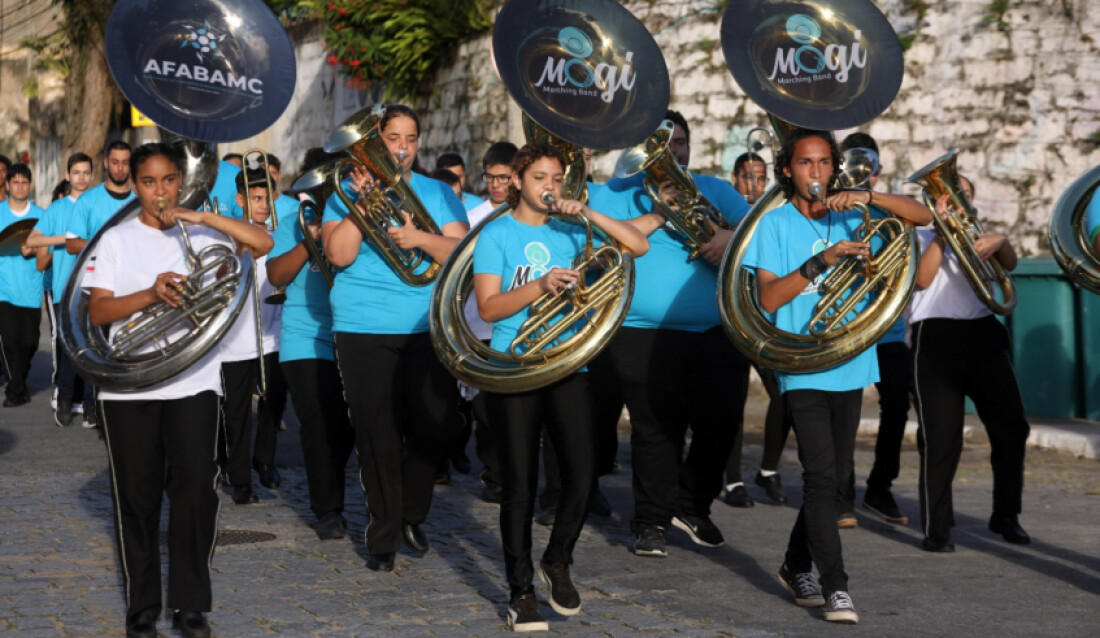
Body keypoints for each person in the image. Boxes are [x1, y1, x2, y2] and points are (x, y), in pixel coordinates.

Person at [743, 128, 932, 624]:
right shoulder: (774, 224)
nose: (816, 173)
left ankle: (794, 563)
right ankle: (837, 587)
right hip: (804, 363)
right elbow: (768, 299)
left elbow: (924, 216)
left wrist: (866, 195)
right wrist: (820, 261)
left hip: (852, 362)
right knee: (821, 475)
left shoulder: (853, 213)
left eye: (825, 163)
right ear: (788, 170)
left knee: (832, 478)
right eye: (806, 164)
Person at [85, 142, 272, 638]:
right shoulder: (116, 240)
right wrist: (151, 293)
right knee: (137, 500)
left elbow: (261, 242)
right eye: (149, 182)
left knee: (195, 493)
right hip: (131, 385)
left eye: (169, 181)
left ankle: (191, 605)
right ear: (135, 185)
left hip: (193, 381)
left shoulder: (200, 230)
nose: (160, 192)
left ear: (180, 182)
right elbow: (97, 312)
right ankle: (142, 610)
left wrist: (201, 217)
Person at [474, 142, 648, 632]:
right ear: (517, 184)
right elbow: (488, 308)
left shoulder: (574, 228)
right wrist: (541, 285)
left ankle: (558, 558)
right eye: (539, 178)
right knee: (521, 486)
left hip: (568, 363)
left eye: (556, 179)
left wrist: (587, 211)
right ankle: (520, 591)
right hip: (517, 365)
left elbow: (637, 245)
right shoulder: (496, 235)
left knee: (583, 471)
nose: (549, 187)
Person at [588, 110, 752, 558]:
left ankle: (692, 504)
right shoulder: (617, 193)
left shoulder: (714, 189)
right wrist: (659, 215)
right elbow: (597, 248)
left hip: (716, 328)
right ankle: (651, 521)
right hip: (641, 330)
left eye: (679, 142)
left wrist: (726, 237)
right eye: (663, 143)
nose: (673, 151)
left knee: (721, 420)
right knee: (654, 428)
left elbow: (760, 231)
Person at [322, 103, 469, 572]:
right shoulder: (344, 191)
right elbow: (339, 255)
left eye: (410, 139)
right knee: (376, 432)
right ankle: (383, 536)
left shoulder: (437, 192)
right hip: (362, 324)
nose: (402, 148)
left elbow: (464, 253)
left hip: (425, 325)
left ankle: (410, 511)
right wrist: (363, 205)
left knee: (439, 423)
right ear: (376, 142)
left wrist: (420, 240)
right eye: (392, 139)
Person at [911, 174, 1031, 552]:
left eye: (958, 193)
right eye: (944, 194)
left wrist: (1002, 241)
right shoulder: (918, 237)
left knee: (1012, 426)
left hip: (982, 333)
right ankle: (937, 528)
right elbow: (922, 279)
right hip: (935, 337)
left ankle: (1006, 515)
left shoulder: (981, 236)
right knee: (941, 438)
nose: (952, 200)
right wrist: (943, 234)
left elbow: (1007, 266)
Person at [266, 150, 356, 540]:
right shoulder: (291, 223)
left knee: (349, 425)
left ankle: (333, 488)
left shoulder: (358, 222)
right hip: (305, 337)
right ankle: (328, 510)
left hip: (353, 333)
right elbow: (275, 276)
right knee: (318, 424)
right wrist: (309, 240)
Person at [834, 132, 912, 527]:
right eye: (854, 166)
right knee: (844, 414)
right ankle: (841, 496)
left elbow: (923, 214)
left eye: (868, 168)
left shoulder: (888, 208)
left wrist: (868, 198)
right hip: (844, 327)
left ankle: (880, 488)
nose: (862, 174)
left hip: (887, 329)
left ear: (877, 174)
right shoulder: (830, 207)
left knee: (898, 406)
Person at [458, 140, 520, 503]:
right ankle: (494, 474)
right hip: (479, 324)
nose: (496, 184)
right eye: (490, 177)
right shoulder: (471, 217)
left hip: (517, 324)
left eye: (503, 177)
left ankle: (512, 471)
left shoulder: (526, 215)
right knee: (486, 409)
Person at [218, 167, 283, 505]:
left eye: (267, 198)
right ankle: (239, 477)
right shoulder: (227, 236)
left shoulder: (278, 234)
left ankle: (265, 459)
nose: (263, 205)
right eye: (256, 198)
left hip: (272, 333)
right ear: (241, 200)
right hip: (236, 341)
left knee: (274, 403)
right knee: (237, 411)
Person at [25, 153, 95, 425]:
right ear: (68, 176)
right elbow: (32, 239)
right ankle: (65, 398)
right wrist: (67, 239)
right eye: (76, 172)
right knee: (67, 348)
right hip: (64, 287)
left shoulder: (97, 202)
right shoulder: (57, 209)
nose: (81, 177)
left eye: (86, 172)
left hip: (93, 286)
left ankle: (90, 405)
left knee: (91, 349)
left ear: (91, 175)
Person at [0, 164, 46, 407]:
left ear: (29, 185)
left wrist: (37, 248)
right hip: (3, 291)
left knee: (29, 343)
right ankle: (14, 391)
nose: (19, 186)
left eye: (24, 182)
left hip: (30, 290)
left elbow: (48, 248)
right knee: (8, 343)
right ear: (7, 185)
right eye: (14, 182)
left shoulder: (41, 215)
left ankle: (20, 381)